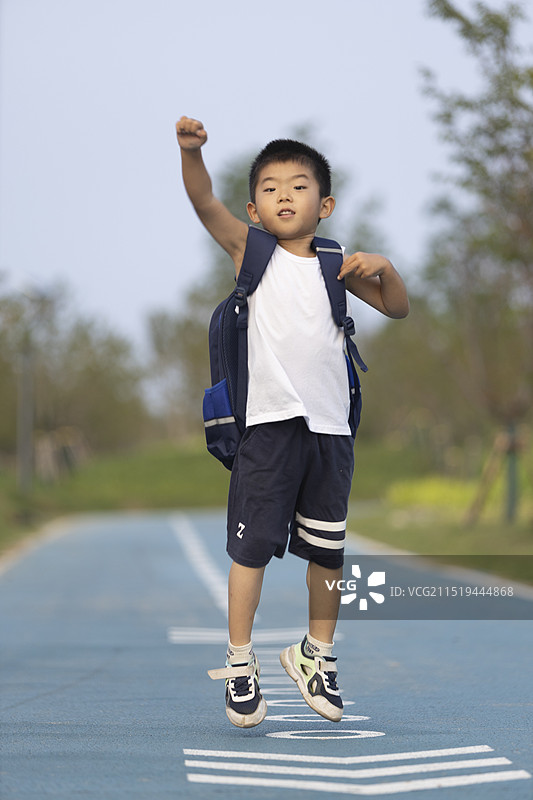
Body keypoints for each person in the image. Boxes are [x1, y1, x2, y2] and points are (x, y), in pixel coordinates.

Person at [175, 116, 409, 728]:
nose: (285, 195)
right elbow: (202, 201)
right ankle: (241, 662)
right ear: (253, 209)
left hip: (331, 432)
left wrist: (383, 268)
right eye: (271, 187)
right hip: (270, 429)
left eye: (299, 185)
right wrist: (191, 152)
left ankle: (316, 656)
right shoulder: (250, 252)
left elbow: (398, 307)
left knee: (328, 556)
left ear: (325, 204)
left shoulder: (338, 264)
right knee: (250, 552)